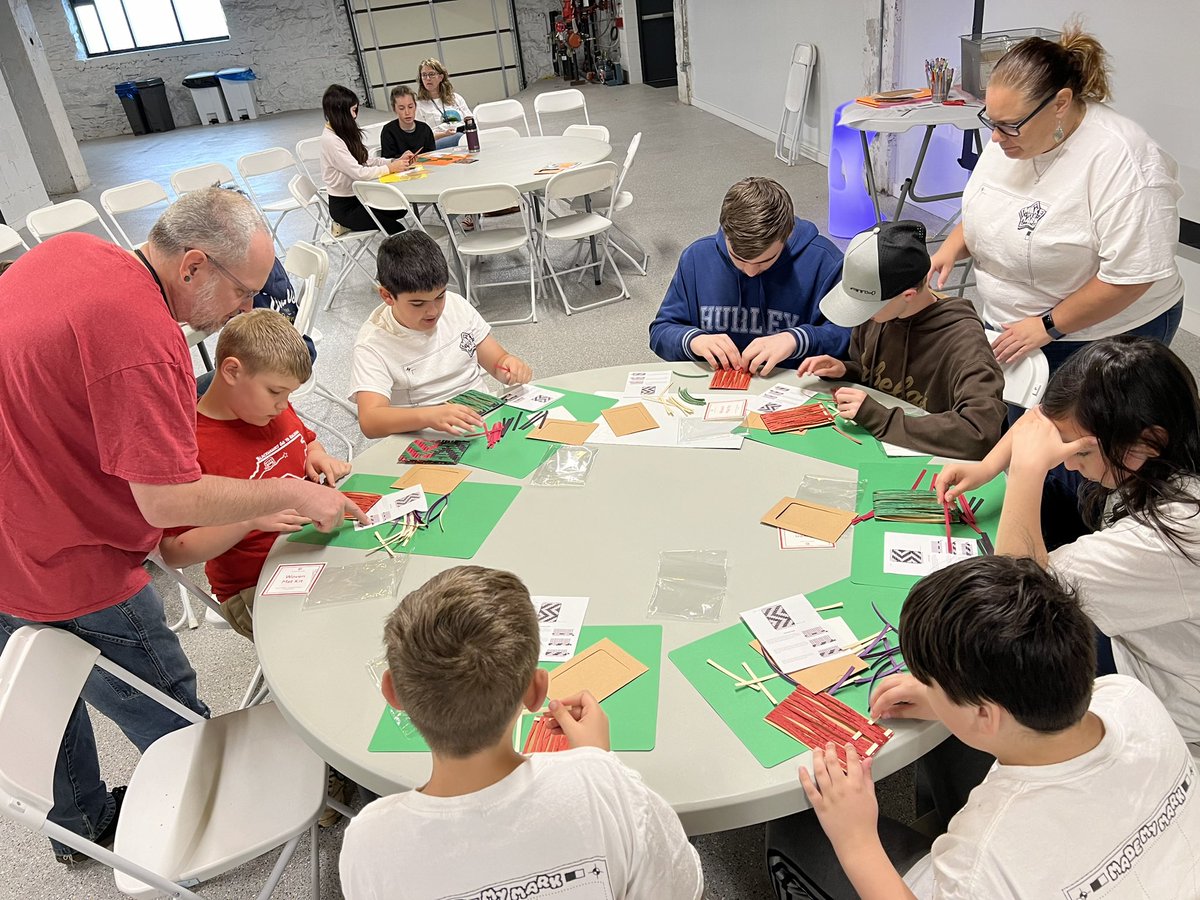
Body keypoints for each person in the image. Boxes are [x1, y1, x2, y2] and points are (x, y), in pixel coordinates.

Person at [0, 187, 362, 864]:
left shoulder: (74, 249)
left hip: (11, 526)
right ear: (193, 266)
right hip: (69, 557)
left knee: (42, 700)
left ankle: (79, 826)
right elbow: (166, 505)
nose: (246, 309)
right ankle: (212, 823)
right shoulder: (147, 343)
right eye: (243, 292)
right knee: (161, 702)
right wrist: (278, 492)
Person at [778, 555, 1200, 899]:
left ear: (985, 714)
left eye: (932, 682)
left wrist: (857, 841)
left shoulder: (983, 857)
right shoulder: (1128, 695)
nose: (925, 687)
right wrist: (950, 701)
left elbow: (984, 866)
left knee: (797, 826)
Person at [339, 565, 705, 899]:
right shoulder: (608, 789)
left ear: (392, 693)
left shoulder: (368, 843)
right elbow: (682, 887)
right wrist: (598, 762)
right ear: (536, 692)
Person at [939, 337, 1200, 758]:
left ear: (1148, 443)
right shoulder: (1166, 445)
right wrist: (990, 465)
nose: (1066, 459)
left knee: (999, 658)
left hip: (1170, 695)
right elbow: (1038, 421)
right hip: (1150, 629)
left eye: (1079, 450)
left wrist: (1027, 471)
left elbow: (1015, 601)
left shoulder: (1174, 533)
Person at [928, 23, 1184, 375]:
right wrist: (953, 245)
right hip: (1015, 329)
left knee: (1066, 428)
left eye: (1010, 125)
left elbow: (1130, 277)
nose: (997, 139)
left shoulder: (1126, 161)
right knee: (1001, 421)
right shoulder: (1012, 136)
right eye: (992, 121)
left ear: (1060, 103)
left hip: (1101, 335)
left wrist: (1047, 325)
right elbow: (989, 206)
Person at [159, 310, 351, 641]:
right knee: (334, 637)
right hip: (255, 582)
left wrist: (318, 457)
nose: (283, 405)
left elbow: (306, 439)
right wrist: (248, 519)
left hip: (312, 545)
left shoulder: (266, 407)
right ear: (232, 371)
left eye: (288, 395)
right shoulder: (190, 447)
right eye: (276, 392)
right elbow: (173, 550)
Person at [797, 220, 1005, 460]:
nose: (863, 316)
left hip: (936, 466)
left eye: (868, 307)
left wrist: (879, 417)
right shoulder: (880, 316)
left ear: (908, 295)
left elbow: (979, 432)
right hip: (875, 452)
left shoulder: (964, 344)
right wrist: (847, 371)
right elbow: (880, 377)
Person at [649, 177, 847, 376]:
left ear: (787, 235)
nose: (750, 272)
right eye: (738, 258)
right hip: (714, 389)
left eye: (766, 260)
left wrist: (797, 339)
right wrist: (694, 340)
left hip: (793, 388)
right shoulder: (697, 257)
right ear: (726, 233)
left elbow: (851, 339)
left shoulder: (825, 261)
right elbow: (660, 332)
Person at [351, 230, 531, 438]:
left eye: (440, 296)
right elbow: (370, 421)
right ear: (387, 296)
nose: (433, 311)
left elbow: (498, 360)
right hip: (424, 434)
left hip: (481, 420)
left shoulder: (456, 306)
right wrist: (429, 416)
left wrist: (509, 368)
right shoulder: (373, 343)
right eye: (418, 304)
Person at [320, 83, 413, 235]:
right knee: (397, 229)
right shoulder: (331, 140)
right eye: (353, 110)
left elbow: (367, 160)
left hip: (360, 196)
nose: (355, 115)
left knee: (400, 209)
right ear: (341, 112)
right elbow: (360, 173)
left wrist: (394, 162)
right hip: (345, 206)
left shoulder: (343, 131)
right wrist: (390, 168)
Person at [415, 58, 472, 150]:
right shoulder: (418, 106)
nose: (427, 78)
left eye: (431, 74)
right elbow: (421, 138)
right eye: (424, 75)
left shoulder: (456, 98)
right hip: (436, 143)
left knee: (467, 137)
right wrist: (444, 134)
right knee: (459, 137)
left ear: (441, 77)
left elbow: (470, 120)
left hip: (462, 137)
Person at [380, 84, 436, 160]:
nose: (407, 112)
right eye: (401, 108)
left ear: (415, 106)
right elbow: (388, 159)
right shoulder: (388, 131)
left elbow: (432, 155)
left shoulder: (424, 129)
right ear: (394, 109)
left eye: (410, 107)